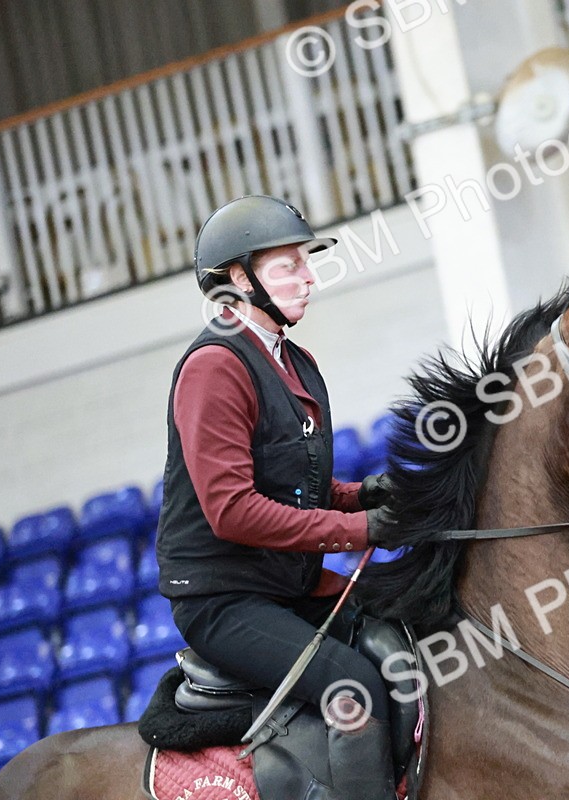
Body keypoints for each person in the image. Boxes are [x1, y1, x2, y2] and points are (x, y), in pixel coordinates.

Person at [155, 195, 399, 800]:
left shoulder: (296, 362)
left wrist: (367, 495)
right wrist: (362, 529)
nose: (310, 277)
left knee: (414, 623)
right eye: (288, 265)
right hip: (225, 599)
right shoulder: (215, 365)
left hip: (286, 586)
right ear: (238, 280)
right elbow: (232, 509)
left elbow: (297, 487)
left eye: (305, 264)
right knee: (355, 689)